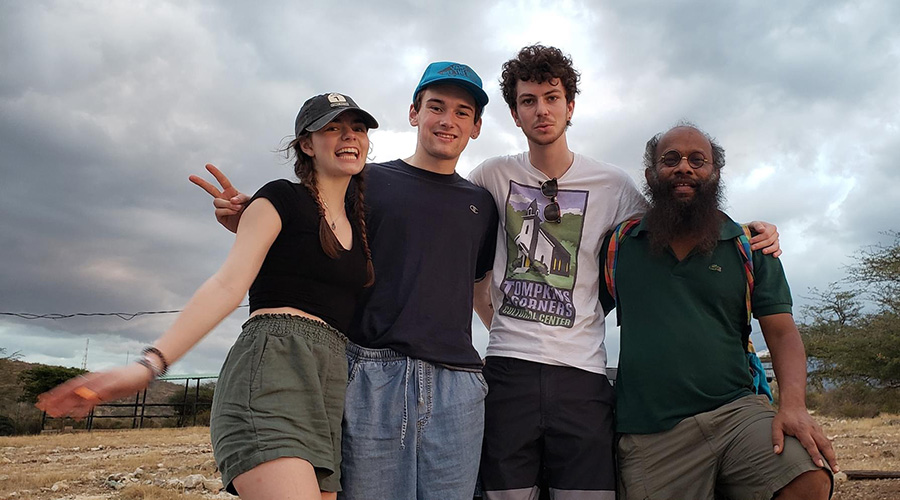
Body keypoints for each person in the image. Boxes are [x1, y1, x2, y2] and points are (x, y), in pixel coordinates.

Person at [468, 45, 781, 500]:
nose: (541, 110)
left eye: (552, 98)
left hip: (583, 373)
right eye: (528, 101)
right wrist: (495, 321)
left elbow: (677, 221)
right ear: (515, 114)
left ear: (570, 105)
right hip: (507, 370)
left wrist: (753, 230)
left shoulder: (612, 185)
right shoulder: (491, 176)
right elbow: (462, 250)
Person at [37, 92, 379, 500]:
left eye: (357, 128)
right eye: (333, 128)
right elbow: (226, 284)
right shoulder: (279, 198)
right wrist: (150, 365)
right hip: (272, 371)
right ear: (307, 144)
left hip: (329, 386)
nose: (349, 136)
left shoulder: (361, 227)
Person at [191, 62, 499, 500]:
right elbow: (311, 227)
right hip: (373, 371)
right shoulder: (365, 182)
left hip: (458, 382)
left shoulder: (481, 204)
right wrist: (254, 218)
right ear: (414, 113)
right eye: (436, 106)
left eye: (462, 112)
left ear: (476, 126)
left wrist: (504, 345)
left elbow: (476, 286)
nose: (448, 120)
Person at [600, 124, 837, 500]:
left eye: (698, 160)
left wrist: (793, 406)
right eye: (670, 159)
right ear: (650, 175)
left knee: (807, 479)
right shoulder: (619, 246)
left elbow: (781, 332)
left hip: (737, 413)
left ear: (715, 174)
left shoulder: (750, 246)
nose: (684, 168)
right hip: (651, 431)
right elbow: (576, 311)